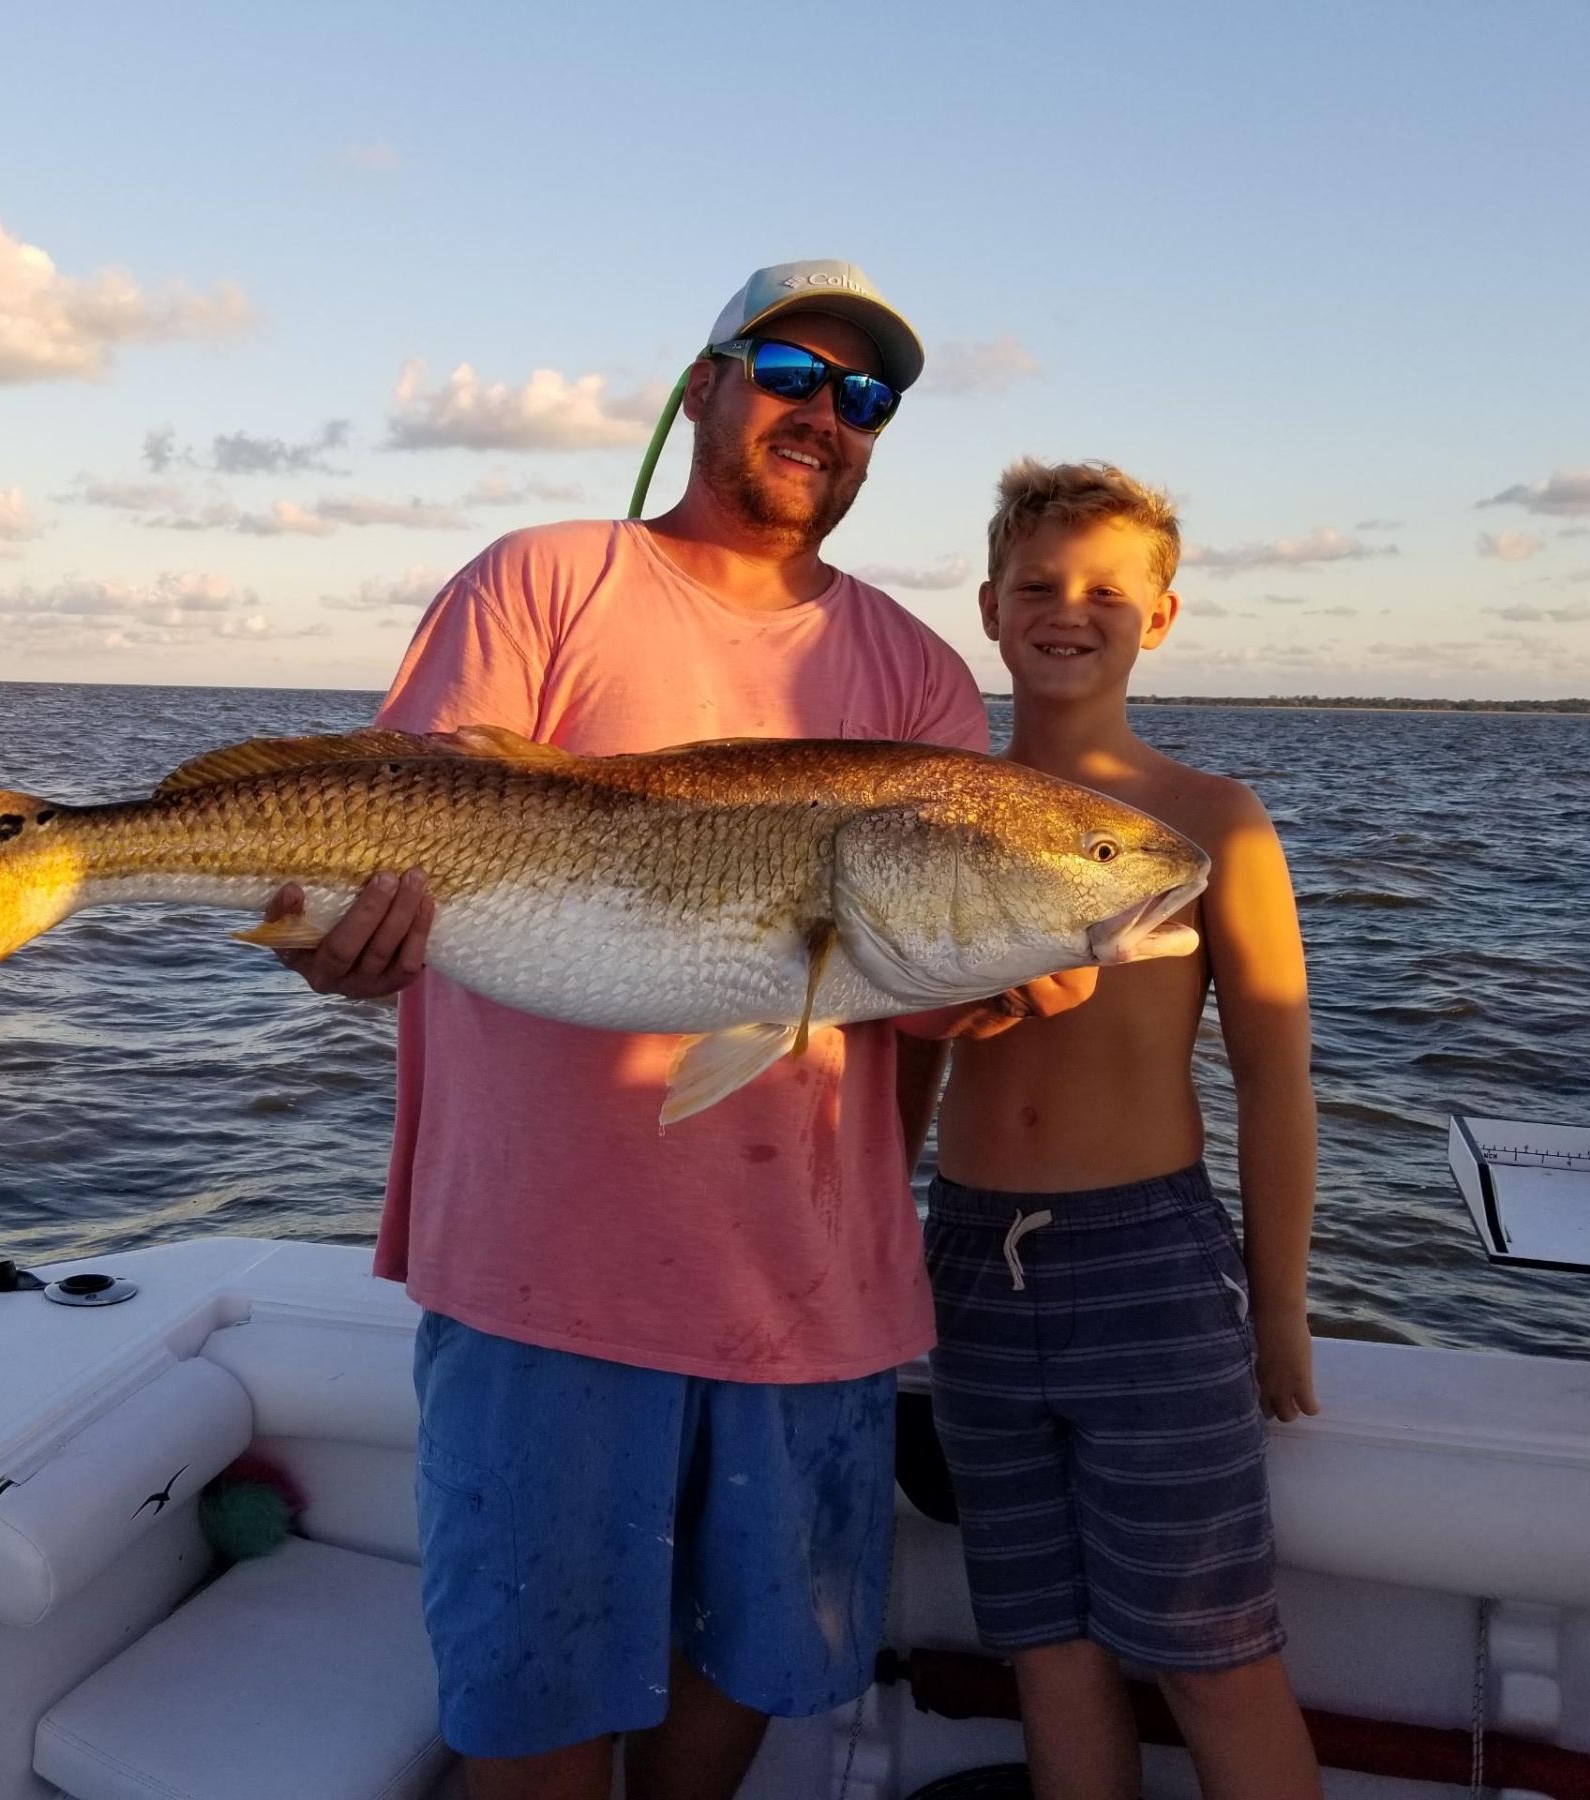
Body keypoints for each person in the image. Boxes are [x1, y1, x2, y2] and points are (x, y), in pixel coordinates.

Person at [265, 262, 1070, 1800]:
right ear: (699, 387)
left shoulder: (915, 675)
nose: (822, 415)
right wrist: (343, 942)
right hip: (536, 1270)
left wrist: (1003, 965)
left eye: (864, 398)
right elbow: (395, 828)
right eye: (785, 370)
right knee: (534, 1699)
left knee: (748, 1674)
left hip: (807, 1292)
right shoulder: (544, 580)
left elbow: (907, 986)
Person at [922, 459, 1322, 1799]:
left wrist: (1278, 1303)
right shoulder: (930, 808)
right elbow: (898, 1062)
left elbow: (1275, 1080)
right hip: (970, 1259)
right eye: (1038, 584)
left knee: (1211, 1652)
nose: (1067, 610)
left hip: (1148, 1265)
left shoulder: (1215, 823)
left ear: (1162, 615)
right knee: (1048, 1646)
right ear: (988, 606)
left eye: (1107, 588)